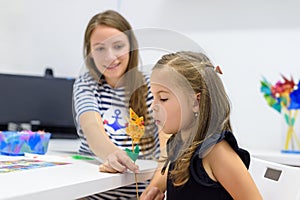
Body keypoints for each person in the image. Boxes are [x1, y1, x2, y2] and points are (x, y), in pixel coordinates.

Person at [141, 51, 262, 199]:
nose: (153, 106)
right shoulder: (179, 146)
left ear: (195, 102)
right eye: (153, 97)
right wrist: (155, 188)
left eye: (163, 98)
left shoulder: (216, 152)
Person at [73, 10, 162, 199]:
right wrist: (112, 154)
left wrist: (155, 188)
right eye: (99, 48)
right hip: (91, 195)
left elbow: (166, 145)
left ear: (131, 47)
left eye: (118, 46)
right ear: (89, 52)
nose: (110, 57)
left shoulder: (151, 84)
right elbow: (91, 126)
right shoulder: (85, 83)